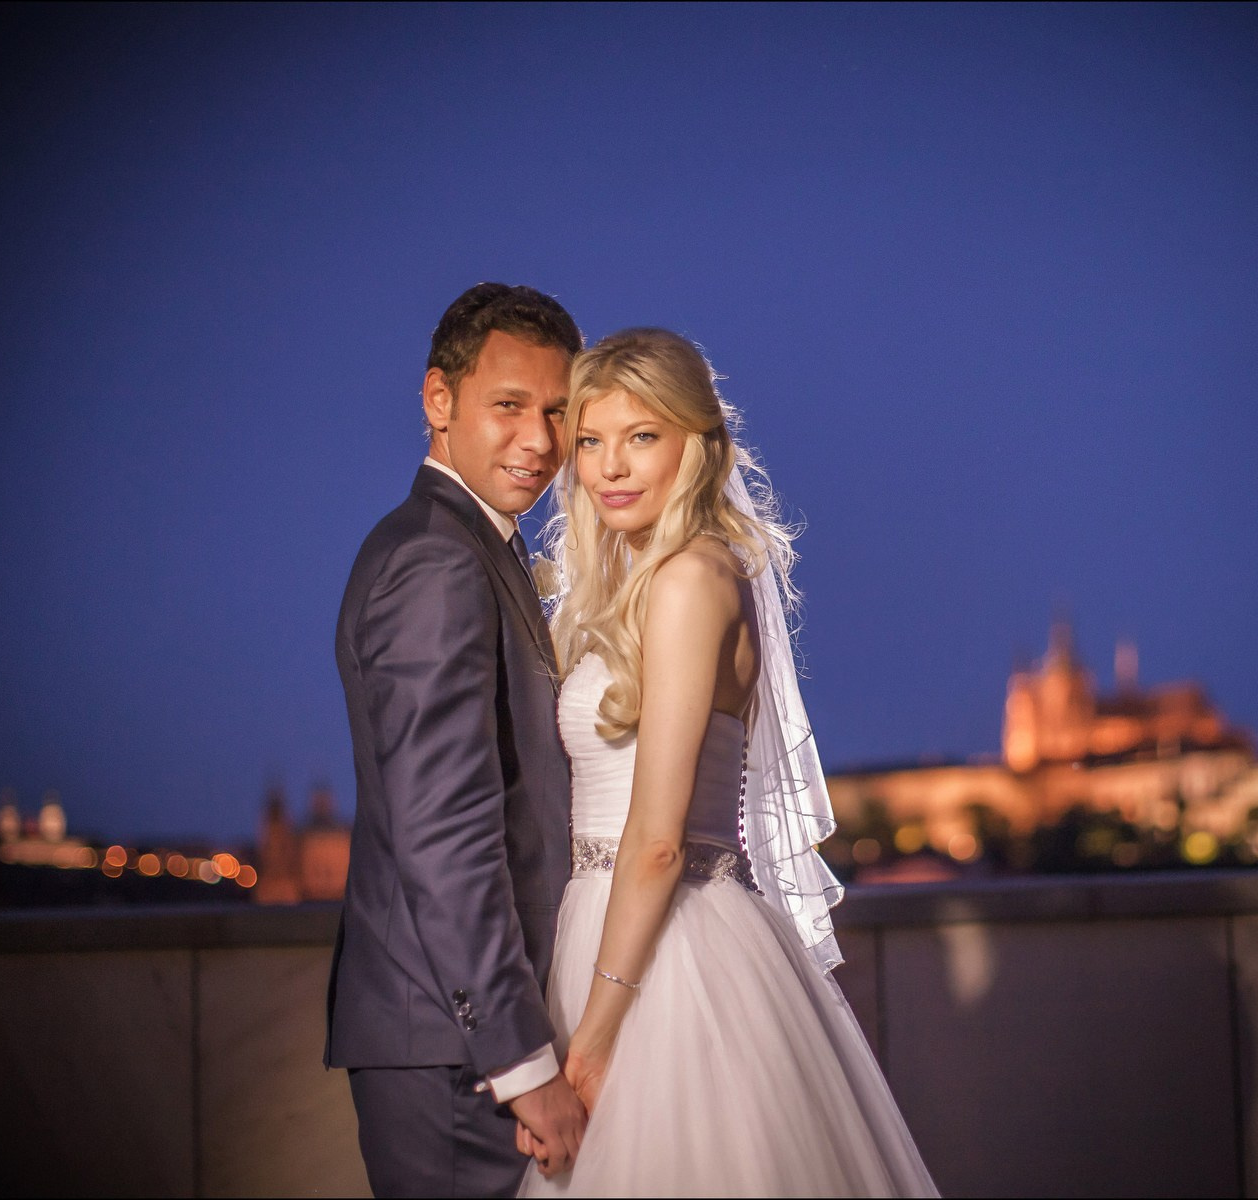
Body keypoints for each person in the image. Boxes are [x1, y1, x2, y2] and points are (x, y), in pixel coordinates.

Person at [518, 328, 937, 1196]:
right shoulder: (681, 573)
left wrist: (591, 1047)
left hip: (659, 959)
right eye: (591, 441)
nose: (610, 467)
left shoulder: (685, 581)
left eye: (642, 437)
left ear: (697, 445)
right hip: (623, 933)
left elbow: (659, 839)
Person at [326, 283, 591, 1196]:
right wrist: (522, 1064)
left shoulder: (474, 545)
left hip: (463, 1038)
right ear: (438, 401)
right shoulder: (438, 560)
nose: (541, 443)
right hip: (459, 1053)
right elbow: (445, 834)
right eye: (509, 407)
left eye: (559, 412)